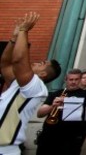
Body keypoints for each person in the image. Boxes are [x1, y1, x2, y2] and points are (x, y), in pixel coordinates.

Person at [0, 12, 61, 155]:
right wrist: (14, 39)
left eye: (41, 64)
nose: (35, 62)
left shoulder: (36, 87)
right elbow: (5, 64)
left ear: (43, 74)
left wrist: (24, 30)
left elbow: (18, 61)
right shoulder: (18, 83)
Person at [36, 69, 86, 155]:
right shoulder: (56, 94)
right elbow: (39, 114)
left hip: (71, 138)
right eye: (71, 79)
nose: (73, 82)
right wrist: (53, 106)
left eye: (76, 79)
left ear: (80, 80)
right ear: (65, 80)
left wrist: (69, 101)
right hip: (49, 136)